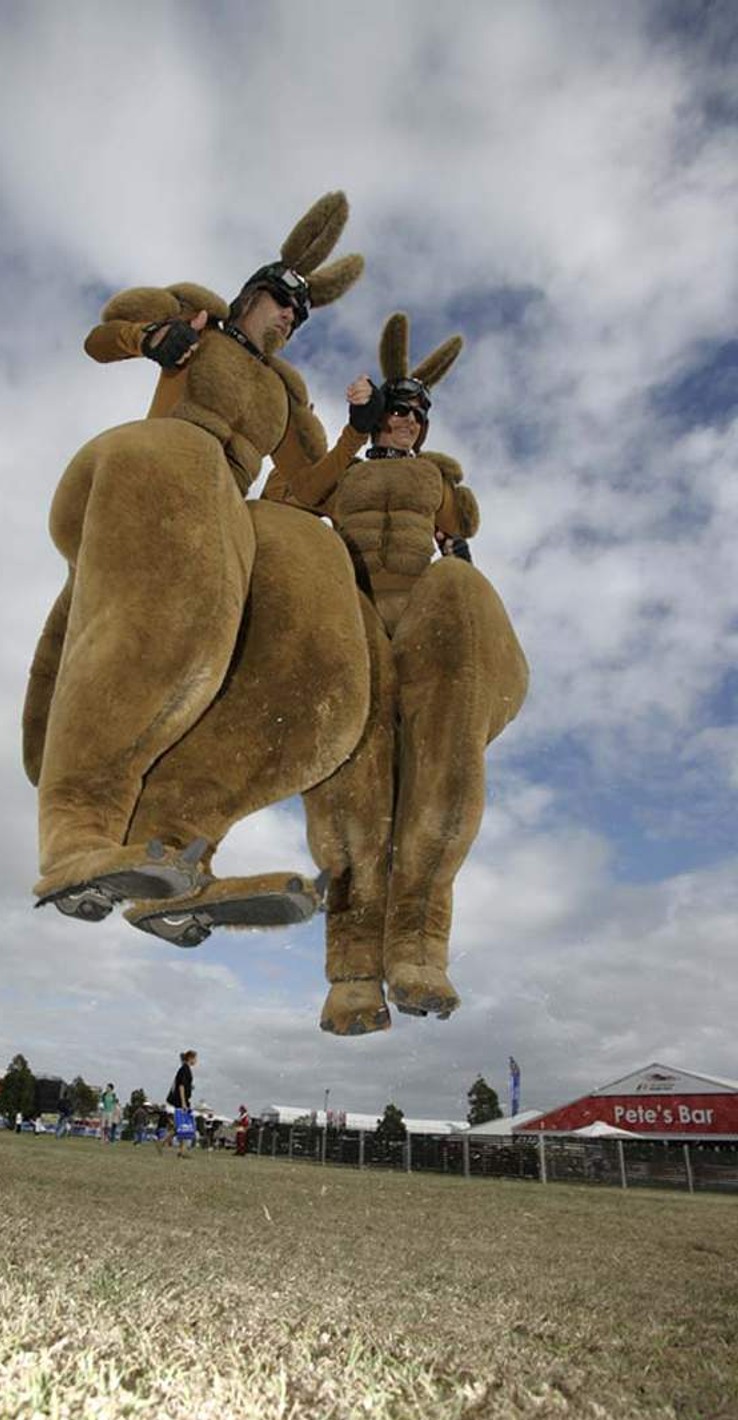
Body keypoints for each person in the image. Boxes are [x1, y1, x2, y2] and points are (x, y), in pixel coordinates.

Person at [25, 194, 367, 926]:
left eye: (300, 317)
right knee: (193, 463)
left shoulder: (284, 393)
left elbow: (309, 489)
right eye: (283, 303)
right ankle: (75, 834)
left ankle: (174, 847)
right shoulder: (197, 317)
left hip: (216, 526)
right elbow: (102, 337)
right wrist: (152, 337)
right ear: (252, 294)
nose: (290, 320)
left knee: (302, 551)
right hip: (141, 480)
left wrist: (355, 436)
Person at [293, 312, 527, 1029]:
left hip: (421, 626)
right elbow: (291, 499)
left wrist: (461, 564)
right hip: (357, 624)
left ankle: (420, 953)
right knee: (349, 805)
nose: (405, 422)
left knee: (442, 779)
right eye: (395, 412)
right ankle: (352, 977)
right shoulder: (347, 471)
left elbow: (458, 537)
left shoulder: (436, 478)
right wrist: (351, 430)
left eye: (416, 415)